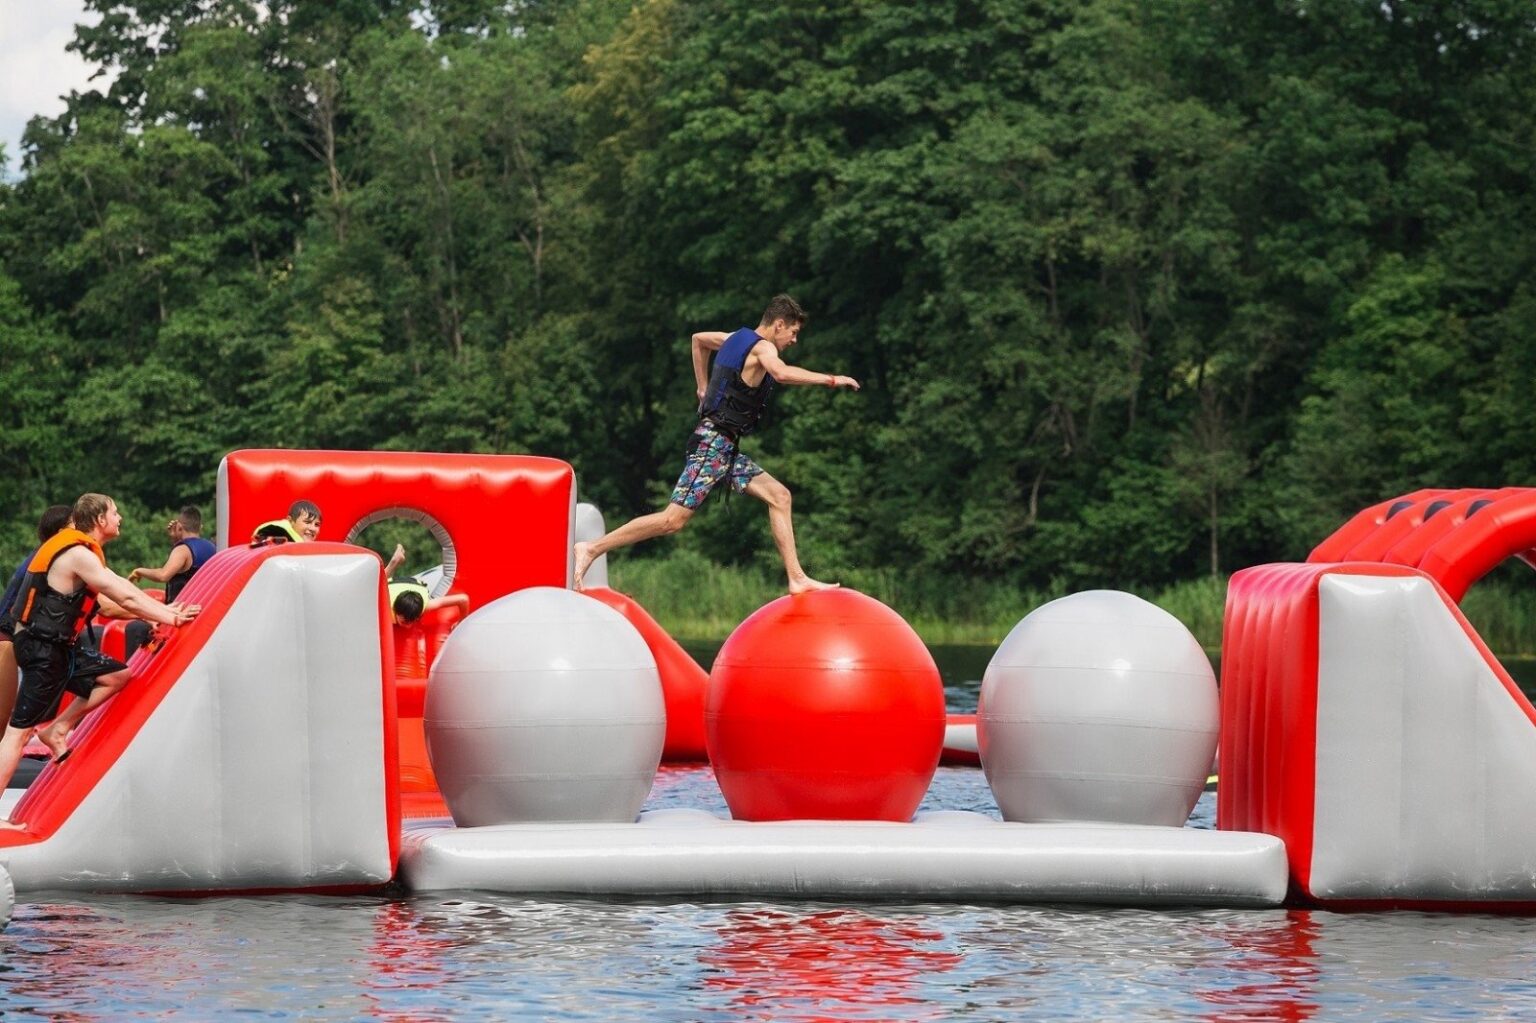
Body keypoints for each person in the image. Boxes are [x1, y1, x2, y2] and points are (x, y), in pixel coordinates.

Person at [573, 294, 859, 594]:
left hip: (725, 448)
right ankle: (592, 548)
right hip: (712, 445)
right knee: (672, 520)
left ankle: (796, 577)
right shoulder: (763, 348)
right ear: (778, 324)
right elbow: (782, 373)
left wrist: (702, 386)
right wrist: (831, 379)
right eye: (793, 332)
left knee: (779, 496)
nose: (794, 340)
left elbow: (698, 340)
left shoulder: (736, 338)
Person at [0, 494, 201, 828]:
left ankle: (58, 729)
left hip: (61, 648)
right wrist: (172, 619)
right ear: (99, 520)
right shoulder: (77, 553)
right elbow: (122, 596)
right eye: (115, 512)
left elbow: (120, 592)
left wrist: (167, 612)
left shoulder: (84, 553)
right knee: (16, 735)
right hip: (43, 650)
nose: (120, 518)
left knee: (117, 675)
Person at [0, 505, 74, 729]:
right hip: (5, 640)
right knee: (3, 718)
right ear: (62, 532)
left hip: (10, 638)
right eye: (75, 526)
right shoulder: (52, 560)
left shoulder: (44, 553)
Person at [118, 505, 217, 660]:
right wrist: (175, 540)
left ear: (178, 526)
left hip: (179, 613)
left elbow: (163, 575)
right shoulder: (212, 547)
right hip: (202, 610)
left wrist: (140, 571)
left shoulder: (183, 549)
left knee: (135, 628)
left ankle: (134, 672)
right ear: (200, 527)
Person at [383, 544, 470, 626]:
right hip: (392, 587)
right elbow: (463, 599)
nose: (408, 626)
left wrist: (461, 621)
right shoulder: (385, 606)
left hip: (416, 585)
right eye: (404, 622)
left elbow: (463, 599)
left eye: (412, 621)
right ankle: (394, 562)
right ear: (395, 611)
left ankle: (395, 561)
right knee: (379, 587)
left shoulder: (424, 606)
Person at [251, 500, 322, 545]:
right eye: (307, 522)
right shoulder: (275, 530)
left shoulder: (299, 541)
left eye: (316, 524)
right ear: (290, 520)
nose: (313, 528)